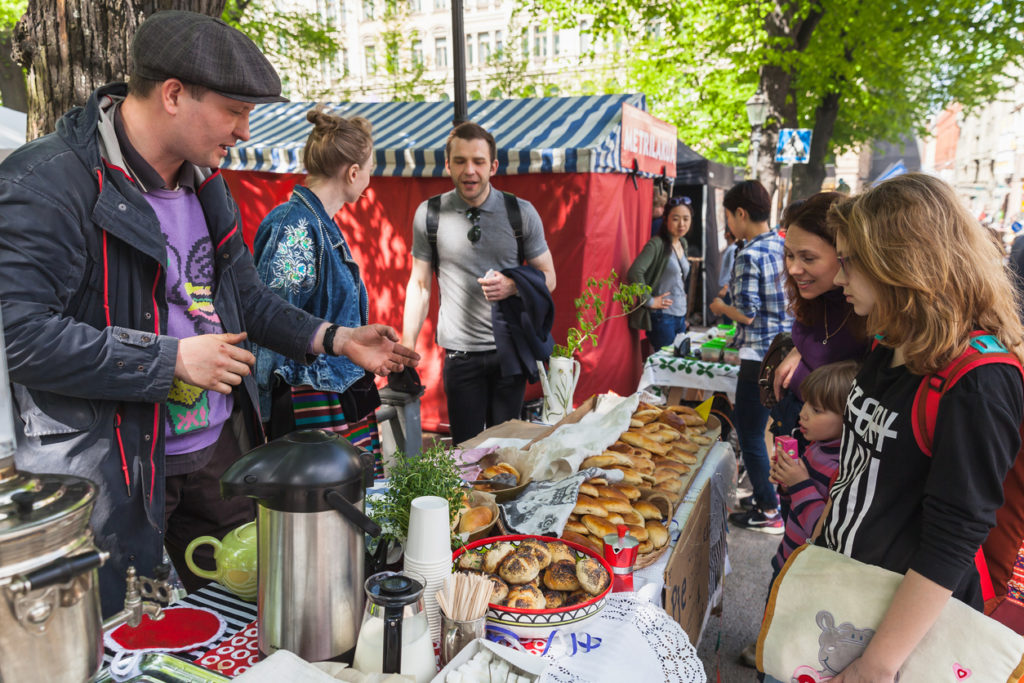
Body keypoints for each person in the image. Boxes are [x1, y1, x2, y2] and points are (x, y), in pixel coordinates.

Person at [0, 11, 418, 617]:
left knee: (242, 611)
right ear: (173, 95)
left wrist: (336, 337)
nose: (245, 131)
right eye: (234, 111)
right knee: (124, 632)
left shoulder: (208, 183)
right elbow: (25, 339)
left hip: (220, 455)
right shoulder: (46, 183)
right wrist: (170, 358)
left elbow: (245, 296)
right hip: (112, 472)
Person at [821, 174, 1024, 681]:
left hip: (904, 639)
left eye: (848, 261)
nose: (837, 277)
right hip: (846, 595)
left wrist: (879, 664)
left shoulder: (979, 380)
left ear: (899, 262)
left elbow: (954, 536)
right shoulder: (889, 341)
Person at [400, 122, 556, 445]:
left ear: (493, 166)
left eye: (478, 161)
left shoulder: (520, 213)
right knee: (466, 456)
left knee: (507, 453)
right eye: (460, 161)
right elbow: (419, 286)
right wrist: (406, 346)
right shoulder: (429, 214)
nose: (469, 170)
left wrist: (514, 285)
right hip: (461, 358)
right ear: (447, 165)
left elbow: (549, 278)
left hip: (509, 353)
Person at [253, 107, 387, 474]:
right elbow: (271, 320)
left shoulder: (320, 224)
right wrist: (262, 413)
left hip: (333, 391)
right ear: (353, 172)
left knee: (349, 507)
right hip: (308, 400)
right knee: (321, 512)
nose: (371, 179)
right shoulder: (295, 224)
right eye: (371, 169)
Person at [741, 359, 859, 670]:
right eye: (806, 403)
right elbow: (796, 503)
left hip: (810, 572)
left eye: (817, 410)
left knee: (794, 630)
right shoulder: (816, 447)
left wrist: (800, 482)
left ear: (849, 420)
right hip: (787, 556)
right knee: (774, 606)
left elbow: (820, 528)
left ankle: (774, 661)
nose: (803, 413)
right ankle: (765, 646)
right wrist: (786, 481)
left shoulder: (841, 468)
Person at [709, 180, 792, 533]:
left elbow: (748, 313)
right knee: (767, 431)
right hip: (786, 353)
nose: (728, 225)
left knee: (750, 433)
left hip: (758, 356)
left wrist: (719, 306)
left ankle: (769, 508)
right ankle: (764, 496)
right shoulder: (782, 245)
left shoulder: (749, 254)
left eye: (728, 216)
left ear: (741, 213)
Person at [768, 193, 868, 443]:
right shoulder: (815, 297)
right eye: (789, 255)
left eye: (808, 258)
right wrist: (798, 349)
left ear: (845, 252)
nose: (793, 269)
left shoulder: (868, 310)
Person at [628, 195, 694, 351]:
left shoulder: (682, 243)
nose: (682, 224)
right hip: (662, 317)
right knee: (666, 365)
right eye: (676, 219)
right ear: (666, 219)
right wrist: (649, 300)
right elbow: (634, 272)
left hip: (680, 314)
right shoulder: (656, 244)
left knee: (678, 363)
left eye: (686, 219)